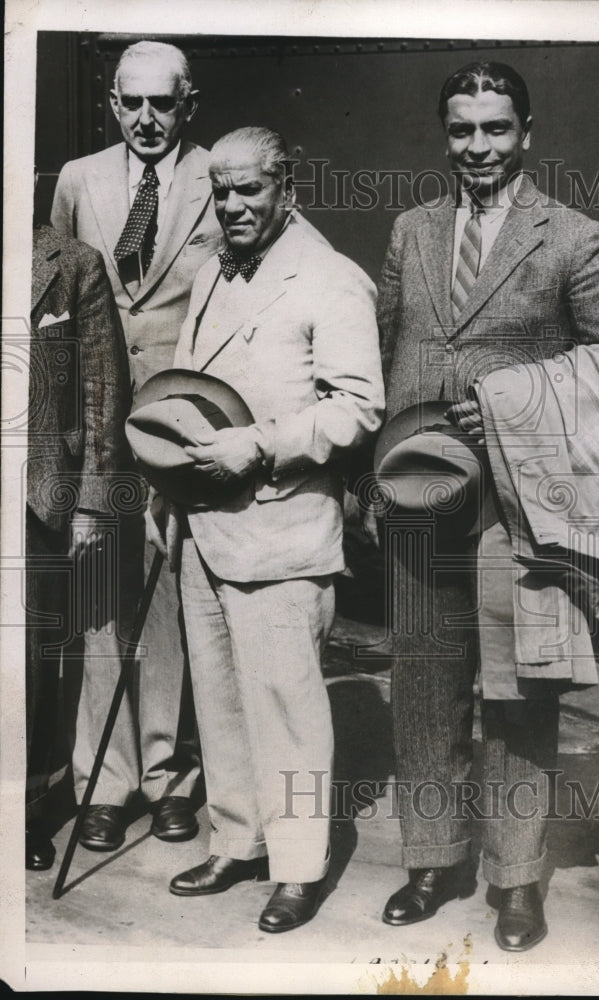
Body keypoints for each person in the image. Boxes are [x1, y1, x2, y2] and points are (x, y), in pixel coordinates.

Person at [374, 61, 599, 951]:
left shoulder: (571, 237)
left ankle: (515, 880)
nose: (478, 148)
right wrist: (373, 474)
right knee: (422, 684)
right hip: (418, 492)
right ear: (445, 135)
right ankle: (432, 859)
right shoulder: (410, 231)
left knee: (514, 692)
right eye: (462, 130)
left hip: (520, 507)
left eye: (496, 130)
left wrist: (515, 396)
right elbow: (388, 345)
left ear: (527, 134)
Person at [155, 126, 384, 932]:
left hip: (281, 525)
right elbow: (182, 389)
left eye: (250, 189)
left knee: (286, 706)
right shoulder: (213, 269)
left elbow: (358, 407)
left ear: (288, 186)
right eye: (222, 190)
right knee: (218, 697)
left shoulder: (330, 278)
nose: (234, 205)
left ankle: (297, 868)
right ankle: (238, 839)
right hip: (202, 523)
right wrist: (164, 487)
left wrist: (256, 444)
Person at [50, 40, 223, 851]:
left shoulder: (217, 175)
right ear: (113, 105)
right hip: (95, 429)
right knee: (96, 603)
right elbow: (55, 287)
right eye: (133, 104)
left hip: (173, 422)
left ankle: (167, 775)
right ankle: (103, 781)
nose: (147, 120)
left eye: (164, 104)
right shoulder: (78, 179)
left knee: (163, 600)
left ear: (188, 105)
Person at [26, 223, 130, 869]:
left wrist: (91, 501)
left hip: (38, 492)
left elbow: (100, 391)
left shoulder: (72, 263)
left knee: (35, 661)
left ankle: (26, 808)